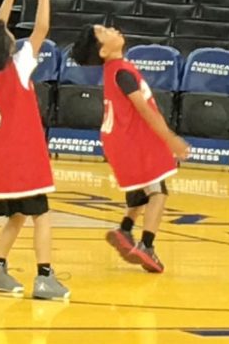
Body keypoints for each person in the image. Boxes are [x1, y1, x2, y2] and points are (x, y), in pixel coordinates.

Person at [0, 0, 69, 301]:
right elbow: (41, 29)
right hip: (23, 157)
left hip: (0, 162)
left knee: (16, 214)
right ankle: (45, 276)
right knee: (41, 215)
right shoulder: (18, 66)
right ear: (5, 46)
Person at [74, 25, 190, 274]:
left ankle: (125, 228)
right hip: (135, 140)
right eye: (105, 31)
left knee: (142, 187)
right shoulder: (123, 72)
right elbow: (145, 111)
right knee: (158, 191)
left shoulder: (113, 70)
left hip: (118, 140)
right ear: (104, 50)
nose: (113, 29)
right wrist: (170, 139)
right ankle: (147, 245)